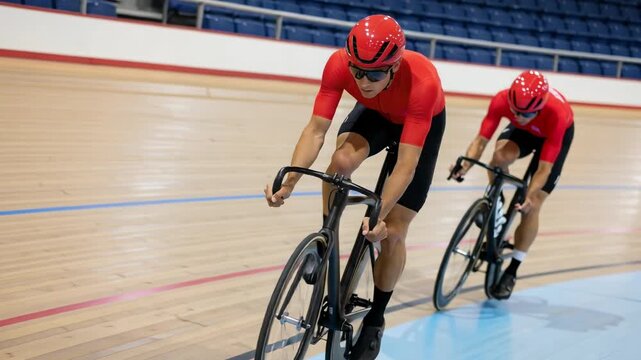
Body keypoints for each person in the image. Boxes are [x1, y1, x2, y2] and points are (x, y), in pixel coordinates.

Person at [264, 14, 446, 359]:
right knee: (342, 162)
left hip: (419, 121)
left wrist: (381, 213)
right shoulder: (338, 66)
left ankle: (375, 321)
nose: (363, 80)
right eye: (357, 70)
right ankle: (325, 236)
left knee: (392, 231)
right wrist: (290, 182)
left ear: (394, 67)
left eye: (374, 74)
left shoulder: (422, 81)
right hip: (377, 114)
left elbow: (406, 166)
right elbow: (316, 130)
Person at [451, 70, 574, 300]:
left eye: (526, 113)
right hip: (526, 134)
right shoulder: (502, 100)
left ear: (539, 106)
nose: (519, 116)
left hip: (554, 135)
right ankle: (497, 203)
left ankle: (513, 270)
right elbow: (481, 140)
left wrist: (530, 195)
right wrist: (465, 166)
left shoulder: (557, 113)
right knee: (499, 157)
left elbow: (544, 169)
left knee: (533, 203)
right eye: (515, 111)